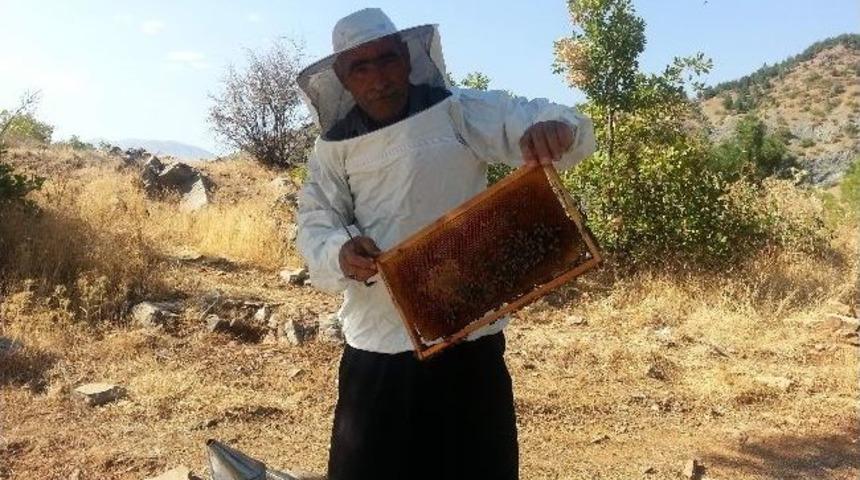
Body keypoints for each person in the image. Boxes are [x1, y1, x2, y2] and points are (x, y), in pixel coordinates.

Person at [296, 8, 595, 480]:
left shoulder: (457, 109)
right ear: (343, 78)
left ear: (409, 58)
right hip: (378, 346)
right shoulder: (331, 150)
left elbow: (548, 117)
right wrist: (341, 251)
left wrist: (556, 128)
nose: (380, 78)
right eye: (362, 67)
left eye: (388, 59)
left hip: (467, 336)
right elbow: (314, 225)